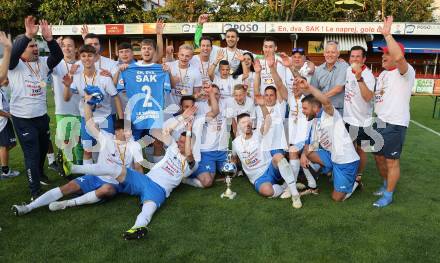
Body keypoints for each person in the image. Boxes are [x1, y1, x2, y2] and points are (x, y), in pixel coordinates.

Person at [56, 116, 196, 240]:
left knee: (149, 210)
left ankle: (136, 228)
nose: (179, 143)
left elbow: (189, 153)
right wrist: (183, 120)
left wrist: (189, 131)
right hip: (145, 180)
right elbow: (165, 129)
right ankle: (72, 168)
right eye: (180, 140)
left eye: (183, 142)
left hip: (159, 189)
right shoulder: (172, 148)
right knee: (114, 168)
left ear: (191, 144)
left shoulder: (192, 164)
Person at [11, 93, 144, 216]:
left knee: (106, 189)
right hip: (96, 177)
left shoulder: (135, 146)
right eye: (124, 131)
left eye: (129, 131)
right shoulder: (106, 138)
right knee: (68, 187)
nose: (128, 133)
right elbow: (89, 122)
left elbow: (138, 168)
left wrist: (142, 188)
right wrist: (87, 104)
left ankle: (67, 203)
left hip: (116, 183)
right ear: (116, 132)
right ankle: (29, 207)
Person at [8, 16, 63, 199]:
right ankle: (34, 191)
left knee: (41, 151)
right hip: (23, 118)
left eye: (36, 45)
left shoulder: (43, 63)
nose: (36, 48)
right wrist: (26, 35)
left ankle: (39, 175)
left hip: (41, 116)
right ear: (22, 49)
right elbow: (13, 53)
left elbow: (58, 56)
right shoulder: (14, 65)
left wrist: (50, 40)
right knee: (31, 153)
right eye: (31, 46)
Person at [371, 16, 416, 208]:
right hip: (379, 121)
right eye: (383, 53)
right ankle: (385, 184)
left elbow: (398, 58)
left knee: (391, 161)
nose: (384, 56)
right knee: (378, 157)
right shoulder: (382, 74)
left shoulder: (405, 72)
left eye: (387, 53)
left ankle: (389, 194)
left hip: (395, 123)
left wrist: (388, 35)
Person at [297, 78, 360, 202]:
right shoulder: (315, 121)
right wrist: (304, 155)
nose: (303, 111)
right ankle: (331, 173)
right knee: (308, 151)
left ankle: (354, 183)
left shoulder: (329, 114)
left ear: (315, 107)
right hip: (333, 157)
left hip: (346, 161)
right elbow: (311, 144)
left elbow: (325, 101)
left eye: (305, 108)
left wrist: (309, 87)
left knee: (337, 198)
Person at [63, 44, 123, 164]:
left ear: (95, 57)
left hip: (104, 118)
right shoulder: (76, 77)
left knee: (108, 149)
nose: (87, 59)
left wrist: (121, 121)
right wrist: (67, 85)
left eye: (90, 55)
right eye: (83, 56)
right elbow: (66, 98)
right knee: (87, 150)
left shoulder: (104, 77)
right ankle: (89, 177)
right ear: (80, 58)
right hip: (87, 119)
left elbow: (116, 98)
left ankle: (107, 176)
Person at [232, 112, 302, 208]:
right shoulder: (235, 143)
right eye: (243, 122)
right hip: (258, 177)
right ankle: (286, 186)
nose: (247, 124)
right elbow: (234, 159)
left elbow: (268, 121)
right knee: (267, 191)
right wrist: (232, 169)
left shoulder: (258, 134)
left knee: (278, 156)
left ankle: (294, 194)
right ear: (238, 125)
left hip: (270, 167)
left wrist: (262, 106)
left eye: (249, 121)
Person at [343, 46, 376, 193]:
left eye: (358, 57)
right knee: (349, 148)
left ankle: (358, 177)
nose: (355, 59)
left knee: (362, 150)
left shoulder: (368, 75)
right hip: (348, 119)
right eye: (352, 56)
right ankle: (348, 175)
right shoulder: (347, 70)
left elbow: (368, 97)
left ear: (364, 59)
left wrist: (359, 77)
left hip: (364, 121)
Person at [185, 85, 226, 188]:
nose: (214, 96)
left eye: (216, 93)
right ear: (207, 95)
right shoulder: (199, 106)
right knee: (208, 182)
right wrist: (198, 95)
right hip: (205, 151)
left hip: (222, 149)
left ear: (220, 95)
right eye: (212, 93)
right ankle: (185, 178)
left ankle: (215, 169)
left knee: (231, 172)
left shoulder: (226, 103)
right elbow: (186, 102)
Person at [51, 36, 83, 166]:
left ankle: (81, 167)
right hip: (62, 110)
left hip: (80, 110)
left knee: (79, 142)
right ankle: (67, 168)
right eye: (63, 45)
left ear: (76, 49)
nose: (67, 48)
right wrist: (54, 46)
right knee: (66, 142)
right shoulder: (56, 65)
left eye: (70, 45)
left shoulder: (82, 65)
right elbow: (48, 63)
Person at [254, 57, 289, 155]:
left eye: (271, 95)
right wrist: (257, 73)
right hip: (261, 145)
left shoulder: (280, 106)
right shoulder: (259, 107)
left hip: (277, 146)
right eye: (266, 95)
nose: (269, 97)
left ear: (276, 96)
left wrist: (273, 69)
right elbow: (256, 91)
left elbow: (279, 86)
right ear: (263, 96)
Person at [310, 41, 349, 116]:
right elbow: (314, 89)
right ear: (324, 53)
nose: (330, 55)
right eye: (327, 52)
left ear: (338, 54)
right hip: (322, 109)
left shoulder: (344, 67)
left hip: (338, 110)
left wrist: (320, 97)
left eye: (333, 52)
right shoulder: (318, 70)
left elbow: (338, 88)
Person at [0, 32, 19, 178]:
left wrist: (8, 48)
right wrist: (7, 49)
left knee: (10, 144)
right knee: (5, 145)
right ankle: (5, 171)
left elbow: (3, 77)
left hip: (5, 119)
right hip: (2, 121)